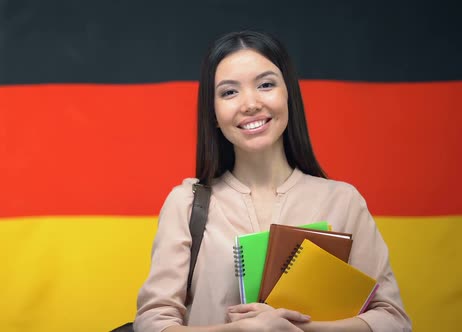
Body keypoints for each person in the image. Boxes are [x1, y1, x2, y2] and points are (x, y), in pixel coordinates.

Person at [134, 31, 411, 332]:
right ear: (213, 112)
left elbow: (393, 320)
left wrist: (299, 328)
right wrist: (242, 330)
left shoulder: (343, 201)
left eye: (266, 85)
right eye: (229, 92)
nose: (250, 104)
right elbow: (152, 323)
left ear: (288, 94)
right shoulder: (186, 203)